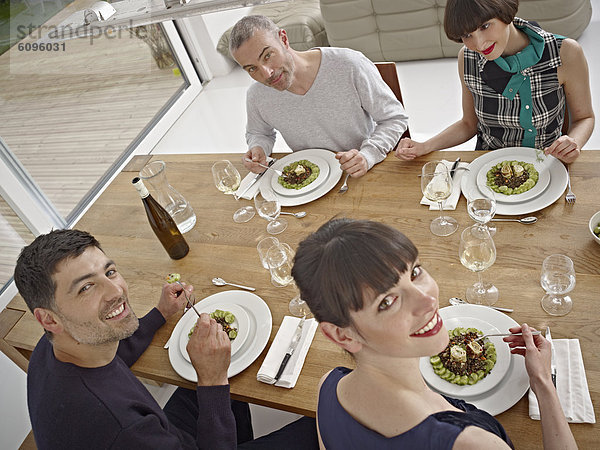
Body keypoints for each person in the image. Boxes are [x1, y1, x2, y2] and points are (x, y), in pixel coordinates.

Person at [14, 229, 318, 449]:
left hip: (167, 432)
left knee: (231, 377)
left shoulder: (54, 344)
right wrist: (211, 380)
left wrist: (161, 312)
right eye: (85, 288)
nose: (115, 291)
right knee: (324, 421)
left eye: (110, 272)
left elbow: (116, 354)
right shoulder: (124, 430)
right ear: (48, 318)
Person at [291, 218, 577, 449]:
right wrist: (545, 387)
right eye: (387, 302)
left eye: (414, 272)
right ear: (341, 336)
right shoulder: (472, 444)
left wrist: (538, 377)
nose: (428, 300)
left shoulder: (327, 385)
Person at [396, 0, 594, 164]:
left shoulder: (565, 52)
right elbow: (468, 124)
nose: (479, 44)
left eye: (485, 26)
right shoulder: (468, 59)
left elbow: (584, 117)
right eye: (467, 35)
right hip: (488, 167)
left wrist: (573, 142)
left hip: (550, 164)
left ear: (505, 12)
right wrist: (425, 146)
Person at [229, 15, 408, 178]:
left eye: (267, 55)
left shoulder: (349, 65)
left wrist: (368, 155)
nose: (266, 74)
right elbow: (258, 132)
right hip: (312, 181)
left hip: (364, 171)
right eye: (252, 68)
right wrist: (258, 148)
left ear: (283, 39)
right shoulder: (257, 95)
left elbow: (394, 118)